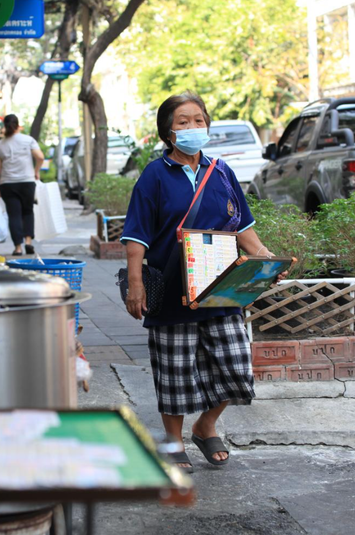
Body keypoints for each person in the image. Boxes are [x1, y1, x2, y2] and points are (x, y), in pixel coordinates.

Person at [120, 91, 285, 472]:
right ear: (168, 132)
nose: (193, 127)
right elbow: (136, 237)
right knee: (175, 371)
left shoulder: (221, 172)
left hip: (221, 287)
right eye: (183, 122)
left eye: (199, 120)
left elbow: (244, 228)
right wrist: (135, 284)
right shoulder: (154, 176)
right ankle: (174, 440)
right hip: (172, 289)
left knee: (236, 366)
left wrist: (267, 260)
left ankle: (205, 425)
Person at [0, 114, 44, 256]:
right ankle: (28, 242)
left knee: (14, 215)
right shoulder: (28, 140)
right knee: (27, 211)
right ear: (18, 125)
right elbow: (40, 157)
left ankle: (18, 248)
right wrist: (36, 171)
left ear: (5, 126)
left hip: (7, 184)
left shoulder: (0, 145)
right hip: (27, 182)